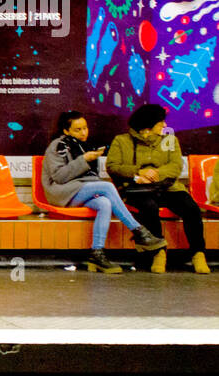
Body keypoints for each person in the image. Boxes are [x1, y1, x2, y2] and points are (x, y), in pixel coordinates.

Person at [41, 110, 165, 272]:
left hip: (78, 189)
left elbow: (89, 178)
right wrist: (84, 160)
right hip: (60, 191)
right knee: (106, 186)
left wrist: (88, 161)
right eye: (78, 130)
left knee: (105, 203)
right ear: (66, 131)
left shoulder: (85, 146)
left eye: (85, 128)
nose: (84, 132)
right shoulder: (58, 145)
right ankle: (139, 231)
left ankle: (97, 253)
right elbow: (59, 177)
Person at [106, 103, 210, 274]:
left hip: (166, 188)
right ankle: (158, 252)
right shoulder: (121, 141)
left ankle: (198, 253)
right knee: (149, 207)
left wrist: (156, 173)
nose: (164, 125)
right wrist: (139, 172)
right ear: (148, 126)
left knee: (191, 208)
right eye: (160, 122)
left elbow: (176, 166)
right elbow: (113, 166)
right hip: (137, 189)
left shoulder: (169, 140)